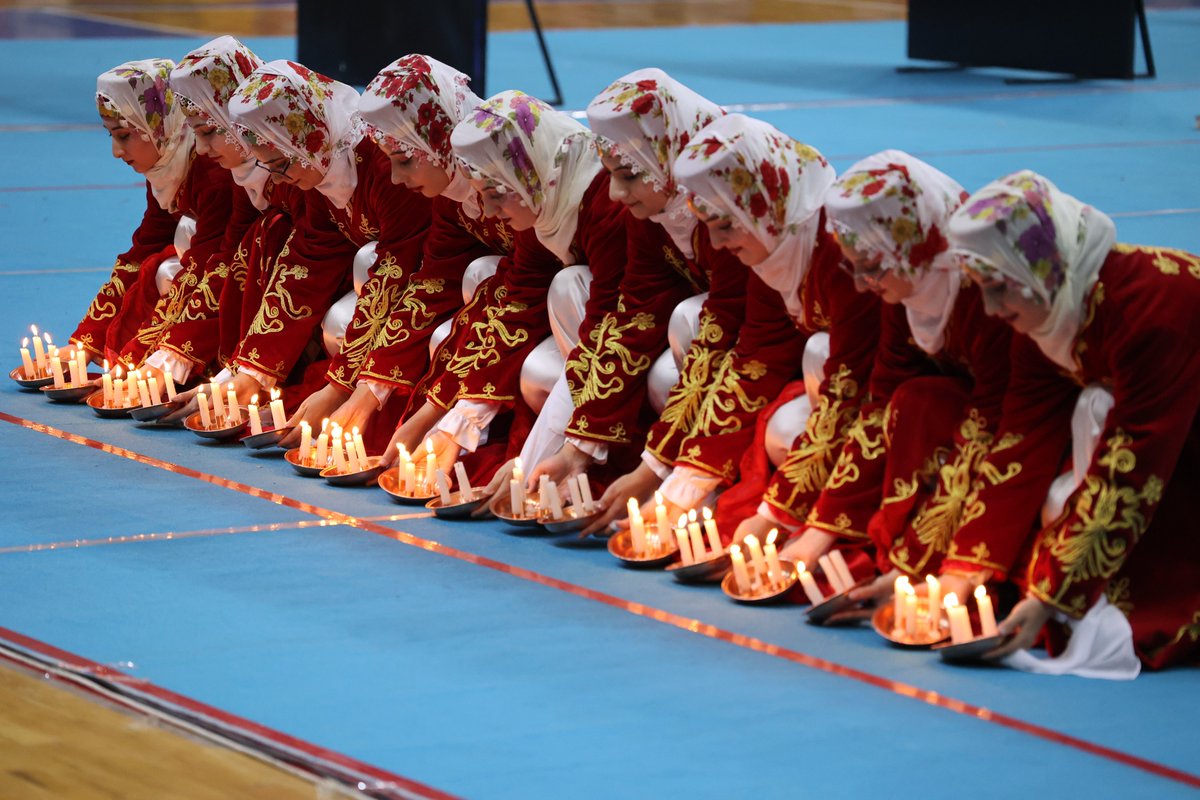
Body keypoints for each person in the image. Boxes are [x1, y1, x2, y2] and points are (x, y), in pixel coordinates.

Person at [945, 170, 1200, 670]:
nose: (991, 310)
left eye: (999, 289)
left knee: (1095, 412)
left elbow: (1132, 467)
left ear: (1042, 269)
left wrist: (1051, 598)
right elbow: (1023, 436)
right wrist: (969, 564)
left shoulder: (1150, 308)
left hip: (1172, 440)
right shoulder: (1054, 305)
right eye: (979, 290)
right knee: (1063, 491)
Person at [612, 114, 879, 556]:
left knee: (809, 373)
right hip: (838, 381)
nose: (715, 246)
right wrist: (667, 476)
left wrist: (781, 518)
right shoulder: (775, 240)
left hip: (884, 395)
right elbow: (759, 352)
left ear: (764, 208)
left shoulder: (841, 257)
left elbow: (859, 381)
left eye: (724, 226)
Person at [774, 151, 1017, 582]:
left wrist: (921, 566)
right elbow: (883, 395)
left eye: (871, 266)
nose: (861, 284)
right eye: (854, 266)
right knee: (908, 401)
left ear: (915, 249)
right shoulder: (905, 286)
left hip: (1027, 428)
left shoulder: (987, 296)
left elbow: (999, 422)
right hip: (969, 413)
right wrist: (819, 526)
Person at [580, 70, 796, 535]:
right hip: (753, 351)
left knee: (693, 323)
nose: (616, 195)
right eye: (611, 176)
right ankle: (694, 473)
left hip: (798, 370)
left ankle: (714, 482)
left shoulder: (739, 207)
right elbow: (637, 305)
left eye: (629, 175)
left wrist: (663, 477)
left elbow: (753, 343)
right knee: (669, 348)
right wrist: (577, 445)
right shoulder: (672, 202)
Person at [227, 59, 433, 444]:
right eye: (267, 166)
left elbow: (398, 266)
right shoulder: (319, 169)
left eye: (282, 164)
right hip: (394, 277)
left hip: (425, 281)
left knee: (365, 267)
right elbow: (310, 257)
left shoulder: (384, 166)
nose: (276, 179)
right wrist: (254, 370)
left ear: (308, 141)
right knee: (337, 312)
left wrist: (340, 386)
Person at [68, 58, 232, 371]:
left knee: (172, 262)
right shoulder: (166, 167)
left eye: (124, 135)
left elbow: (206, 269)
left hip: (230, 277)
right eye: (111, 136)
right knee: (164, 264)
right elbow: (142, 249)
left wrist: (148, 357)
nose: (116, 151)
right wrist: (85, 340)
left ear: (156, 126)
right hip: (210, 269)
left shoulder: (213, 173)